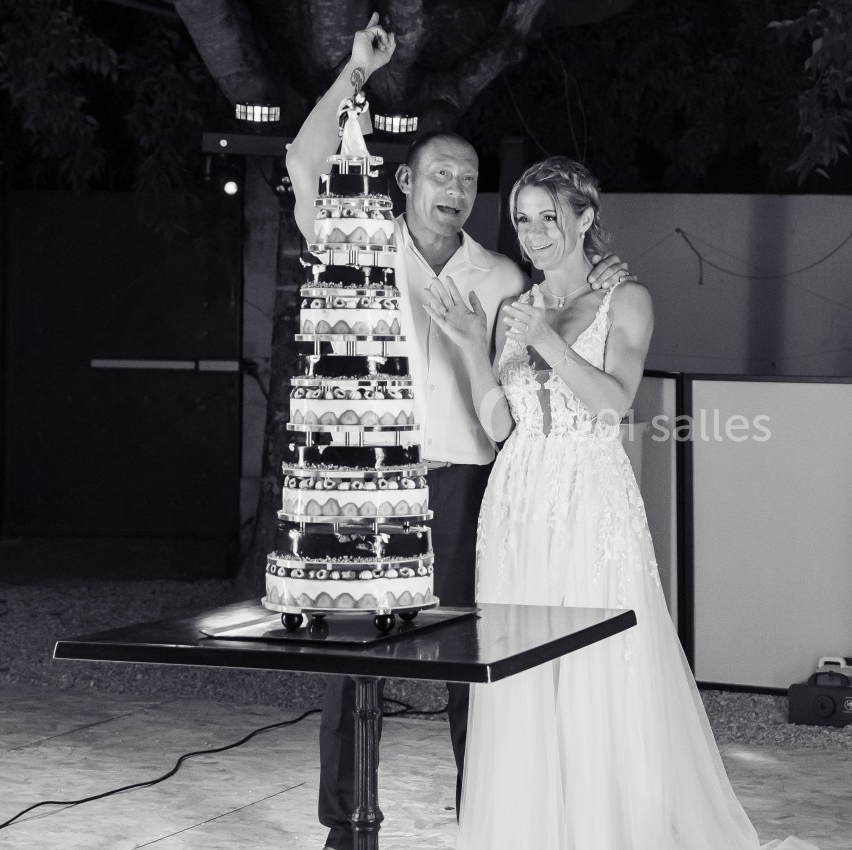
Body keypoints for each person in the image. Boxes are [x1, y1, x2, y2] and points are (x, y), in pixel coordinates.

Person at [285, 16, 635, 850]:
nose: (454, 187)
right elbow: (303, 162)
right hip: (363, 483)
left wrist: (604, 273)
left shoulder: (503, 274)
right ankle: (348, 826)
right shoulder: (357, 240)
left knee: (469, 664)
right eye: (440, 172)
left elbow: (569, 307)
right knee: (349, 658)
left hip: (466, 482)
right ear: (405, 182)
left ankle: (485, 814)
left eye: (469, 178)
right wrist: (354, 74)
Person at [426, 156, 815, 849]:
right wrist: (466, 348)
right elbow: (501, 425)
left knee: (597, 667)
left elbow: (615, 403)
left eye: (551, 216)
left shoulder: (625, 299)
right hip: (517, 503)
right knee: (521, 674)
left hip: (588, 498)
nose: (536, 233)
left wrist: (548, 342)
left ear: (584, 218)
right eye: (523, 219)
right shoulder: (513, 308)